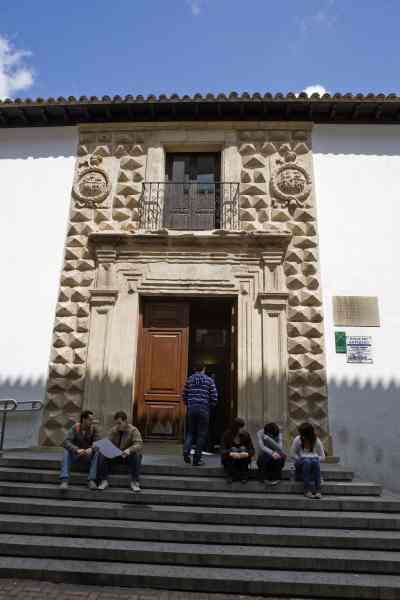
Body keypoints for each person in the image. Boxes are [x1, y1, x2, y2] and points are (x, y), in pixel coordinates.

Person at [97, 411, 143, 493]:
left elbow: (139, 444)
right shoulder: (113, 430)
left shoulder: (133, 430)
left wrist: (129, 450)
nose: (117, 426)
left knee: (137, 455)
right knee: (102, 453)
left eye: (119, 423)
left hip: (127, 457)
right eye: (116, 423)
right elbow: (107, 442)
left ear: (125, 421)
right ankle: (104, 480)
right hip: (116, 456)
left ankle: (134, 482)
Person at [182, 363, 218, 466]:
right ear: (204, 369)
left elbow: (184, 394)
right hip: (204, 409)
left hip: (192, 408)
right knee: (201, 435)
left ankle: (186, 451)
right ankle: (197, 459)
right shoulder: (209, 380)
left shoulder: (189, 379)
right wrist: (210, 406)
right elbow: (214, 396)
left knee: (190, 432)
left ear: (194, 369)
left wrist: (188, 404)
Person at [59, 410, 100, 490]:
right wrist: (76, 450)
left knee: (97, 453)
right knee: (66, 451)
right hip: (77, 455)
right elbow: (65, 442)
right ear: (84, 419)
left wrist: (91, 449)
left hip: (88, 456)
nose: (92, 421)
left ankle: (91, 480)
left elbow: (98, 443)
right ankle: (64, 480)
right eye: (90, 419)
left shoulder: (94, 429)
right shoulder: (75, 427)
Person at [290, 422, 325, 499]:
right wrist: (300, 458)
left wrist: (315, 457)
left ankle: (318, 490)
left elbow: (323, 457)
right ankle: (307, 490)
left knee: (314, 461)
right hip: (300, 463)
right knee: (306, 461)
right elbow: (292, 454)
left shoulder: (317, 441)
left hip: (312, 463)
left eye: (304, 434)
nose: (302, 436)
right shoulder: (297, 439)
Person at [221, 417, 255, 483]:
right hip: (230, 457)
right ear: (235, 427)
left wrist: (246, 453)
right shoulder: (226, 435)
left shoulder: (246, 435)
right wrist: (230, 452)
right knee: (231, 454)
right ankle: (230, 476)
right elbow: (222, 450)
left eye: (242, 427)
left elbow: (252, 450)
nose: (242, 429)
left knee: (244, 451)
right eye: (240, 427)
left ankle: (244, 476)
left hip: (242, 457)